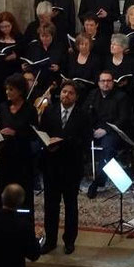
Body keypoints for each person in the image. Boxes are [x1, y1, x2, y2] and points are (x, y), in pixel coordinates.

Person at [39, 81, 89, 255]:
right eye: (64, 92)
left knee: (70, 205)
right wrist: (47, 144)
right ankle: (50, 241)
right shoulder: (49, 111)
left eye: (70, 93)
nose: (66, 95)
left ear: (76, 97)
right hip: (51, 165)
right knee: (51, 206)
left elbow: (85, 140)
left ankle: (69, 240)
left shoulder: (83, 115)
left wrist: (64, 142)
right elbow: (42, 134)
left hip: (71, 166)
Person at [83, 70, 132, 199]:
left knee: (108, 148)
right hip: (93, 130)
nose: (106, 84)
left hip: (112, 132)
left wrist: (105, 130)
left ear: (113, 82)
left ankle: (97, 181)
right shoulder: (93, 94)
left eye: (108, 81)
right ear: (98, 83)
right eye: (103, 81)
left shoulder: (121, 97)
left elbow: (123, 119)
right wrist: (90, 129)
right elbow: (84, 113)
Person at [0, 74, 38, 212]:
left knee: (24, 190)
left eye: (11, 89)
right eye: (6, 89)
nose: (7, 92)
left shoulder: (30, 109)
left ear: (20, 91)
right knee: (3, 189)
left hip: (22, 156)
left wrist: (15, 133)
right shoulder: (2, 107)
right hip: (5, 155)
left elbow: (34, 134)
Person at [0, 11, 24, 107]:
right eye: (2, 27)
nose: (5, 29)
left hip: (13, 72)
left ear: (12, 25)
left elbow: (24, 55)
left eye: (7, 26)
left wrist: (15, 57)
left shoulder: (19, 38)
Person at [22, 22, 65, 95]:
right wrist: (25, 67)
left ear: (52, 35)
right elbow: (28, 61)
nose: (44, 39)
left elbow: (65, 64)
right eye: (42, 36)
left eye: (47, 36)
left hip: (52, 79)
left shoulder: (59, 47)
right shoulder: (33, 46)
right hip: (36, 79)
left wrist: (58, 68)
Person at [63, 32, 101, 101]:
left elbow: (96, 80)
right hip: (72, 91)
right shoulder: (72, 57)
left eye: (86, 44)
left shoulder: (95, 59)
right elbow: (68, 74)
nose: (84, 46)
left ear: (90, 45)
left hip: (87, 92)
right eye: (82, 44)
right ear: (78, 45)